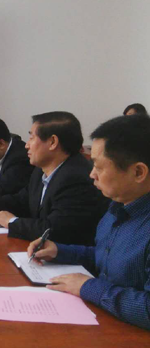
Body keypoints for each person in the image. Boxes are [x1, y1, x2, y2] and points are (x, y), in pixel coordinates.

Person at [28, 115, 150, 331]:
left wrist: (88, 287)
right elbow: (109, 258)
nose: (92, 174)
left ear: (138, 172)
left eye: (99, 167)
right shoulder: (117, 207)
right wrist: (60, 251)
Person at [0, 111, 108, 245]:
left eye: (32, 138)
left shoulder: (75, 177)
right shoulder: (41, 170)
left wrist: (11, 222)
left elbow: (55, 230)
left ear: (52, 142)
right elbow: (22, 199)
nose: (27, 145)